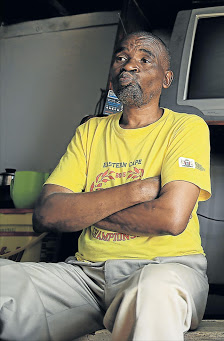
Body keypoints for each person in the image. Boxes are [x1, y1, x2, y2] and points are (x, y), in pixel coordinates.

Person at [0, 31, 211, 341]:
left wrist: (82, 207)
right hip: (84, 275)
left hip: (163, 269)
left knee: (153, 293)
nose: (128, 66)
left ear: (166, 79)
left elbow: (170, 218)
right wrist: (137, 191)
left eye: (144, 59)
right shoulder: (91, 131)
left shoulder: (186, 127)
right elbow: (46, 215)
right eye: (121, 58)